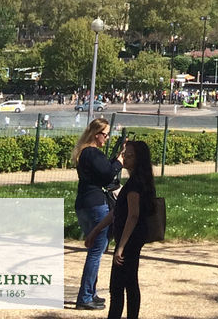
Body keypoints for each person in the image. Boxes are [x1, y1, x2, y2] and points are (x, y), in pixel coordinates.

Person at [86, 139, 155, 319]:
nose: (126, 159)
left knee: (117, 287)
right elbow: (117, 212)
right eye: (125, 155)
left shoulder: (135, 185)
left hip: (130, 239)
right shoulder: (137, 181)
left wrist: (121, 247)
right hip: (132, 237)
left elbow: (133, 215)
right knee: (130, 283)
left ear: (139, 160)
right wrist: (96, 230)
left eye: (130, 156)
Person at [72, 118, 122, 311]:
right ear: (96, 134)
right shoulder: (92, 152)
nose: (107, 138)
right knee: (96, 251)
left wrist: (115, 161)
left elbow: (102, 172)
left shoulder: (86, 153)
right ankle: (85, 296)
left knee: (98, 249)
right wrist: (119, 162)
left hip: (84, 203)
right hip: (95, 204)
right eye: (105, 134)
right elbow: (109, 174)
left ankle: (90, 292)